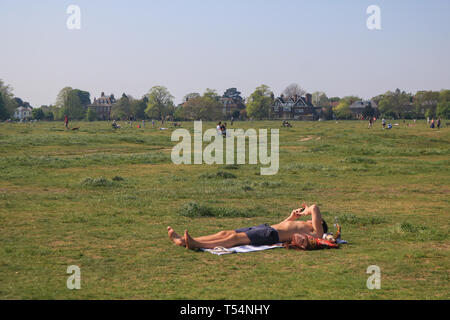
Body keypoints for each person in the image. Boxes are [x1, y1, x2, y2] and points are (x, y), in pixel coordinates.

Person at [168, 203, 329, 250]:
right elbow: (283, 225)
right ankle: (183, 240)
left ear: (319, 221)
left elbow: (314, 207)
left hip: (270, 235)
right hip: (268, 228)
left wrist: (306, 211)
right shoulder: (302, 225)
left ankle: (197, 244)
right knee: (226, 232)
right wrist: (292, 217)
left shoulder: (317, 231)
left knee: (233, 238)